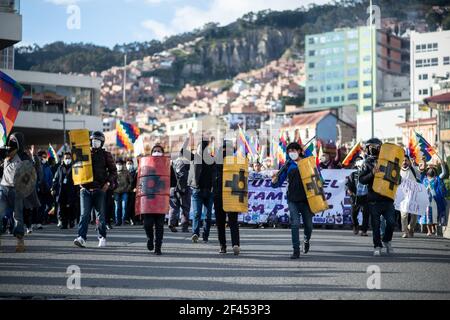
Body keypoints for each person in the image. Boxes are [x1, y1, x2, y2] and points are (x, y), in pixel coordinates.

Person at [73, 131, 117, 248]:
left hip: (99, 190)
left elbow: (113, 171)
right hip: (85, 189)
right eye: (92, 140)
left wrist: (107, 183)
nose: (94, 142)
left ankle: (102, 237)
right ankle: (81, 237)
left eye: (97, 140)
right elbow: (77, 168)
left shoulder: (106, 155)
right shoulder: (83, 153)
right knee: (84, 215)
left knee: (100, 216)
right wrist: (79, 182)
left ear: (102, 142)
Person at [271, 142, 314, 259]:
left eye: (294, 151)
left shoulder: (308, 162)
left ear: (299, 151)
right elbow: (278, 182)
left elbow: (318, 177)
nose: (291, 153)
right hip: (292, 199)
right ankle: (296, 250)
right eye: (289, 151)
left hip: (307, 200)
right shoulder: (287, 165)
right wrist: (274, 181)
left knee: (308, 226)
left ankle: (306, 240)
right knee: (295, 224)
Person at [358, 138, 397, 256]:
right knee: (375, 225)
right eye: (370, 147)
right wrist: (372, 174)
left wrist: (397, 178)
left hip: (388, 198)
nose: (372, 149)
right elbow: (361, 180)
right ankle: (377, 246)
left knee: (391, 222)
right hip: (374, 199)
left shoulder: (389, 161)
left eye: (375, 147)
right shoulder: (367, 163)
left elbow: (396, 178)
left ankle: (386, 240)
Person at [183, 133, 216, 243]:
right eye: (200, 147)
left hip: (209, 191)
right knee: (197, 214)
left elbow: (215, 174)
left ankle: (205, 235)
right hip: (197, 190)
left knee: (208, 215)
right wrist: (188, 139)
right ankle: (195, 233)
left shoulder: (212, 159)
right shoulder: (195, 157)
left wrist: (213, 187)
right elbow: (182, 151)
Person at [0, 133, 29, 252]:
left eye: (13, 141)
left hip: (17, 190)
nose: (9, 150)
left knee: (17, 216)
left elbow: (30, 174)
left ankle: (20, 240)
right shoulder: (4, 155)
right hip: (3, 188)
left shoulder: (23, 157)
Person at [213, 140, 241, 255]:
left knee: (233, 221)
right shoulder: (214, 164)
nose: (226, 152)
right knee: (220, 222)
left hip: (232, 196)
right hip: (218, 196)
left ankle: (235, 244)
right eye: (224, 149)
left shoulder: (237, 163)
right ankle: (222, 245)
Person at [142, 145, 169, 255]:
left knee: (159, 225)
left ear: (163, 153)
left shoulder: (167, 165)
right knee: (147, 224)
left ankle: (158, 247)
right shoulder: (146, 164)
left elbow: (172, 180)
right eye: (155, 151)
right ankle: (150, 238)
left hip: (161, 200)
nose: (157, 152)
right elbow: (140, 178)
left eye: (159, 151)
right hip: (149, 200)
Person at [168, 139, 191, 233]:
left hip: (172, 188)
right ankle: (184, 226)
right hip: (182, 188)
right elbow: (183, 176)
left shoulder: (173, 161)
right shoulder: (184, 161)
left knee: (174, 207)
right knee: (185, 207)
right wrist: (183, 187)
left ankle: (171, 223)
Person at [51, 152, 77, 229]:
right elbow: (55, 179)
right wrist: (53, 188)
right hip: (62, 191)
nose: (67, 160)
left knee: (71, 207)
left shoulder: (74, 167)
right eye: (66, 158)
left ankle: (71, 221)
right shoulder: (60, 168)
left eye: (69, 158)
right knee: (62, 208)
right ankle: (64, 223)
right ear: (63, 159)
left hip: (71, 190)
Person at [345, 156, 369, 236]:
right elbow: (348, 184)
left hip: (365, 197)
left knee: (366, 214)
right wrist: (350, 191)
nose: (362, 167)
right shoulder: (353, 174)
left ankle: (364, 230)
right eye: (360, 166)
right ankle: (356, 226)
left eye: (363, 166)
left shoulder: (368, 174)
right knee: (353, 214)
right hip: (355, 197)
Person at [420, 166, 447, 236]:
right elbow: (419, 173)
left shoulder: (437, 179)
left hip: (435, 200)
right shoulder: (424, 179)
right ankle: (429, 230)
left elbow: (444, 173)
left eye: (432, 168)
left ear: (434, 172)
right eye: (429, 168)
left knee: (435, 215)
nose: (431, 169)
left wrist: (442, 164)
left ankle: (434, 227)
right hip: (426, 200)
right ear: (427, 171)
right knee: (427, 215)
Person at [399, 155, 421, 238]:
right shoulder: (398, 171)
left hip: (414, 196)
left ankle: (411, 228)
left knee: (414, 215)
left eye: (406, 160)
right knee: (404, 215)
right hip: (402, 197)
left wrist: (422, 165)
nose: (404, 162)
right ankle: (405, 231)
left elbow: (421, 170)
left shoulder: (413, 169)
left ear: (409, 161)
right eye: (403, 160)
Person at [36, 150, 54, 228]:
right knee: (41, 206)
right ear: (39, 157)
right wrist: (37, 187)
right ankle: (39, 222)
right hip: (39, 190)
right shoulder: (36, 166)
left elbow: (51, 177)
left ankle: (45, 218)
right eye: (42, 157)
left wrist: (50, 186)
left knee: (50, 206)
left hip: (47, 189)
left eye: (45, 157)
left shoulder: (47, 166)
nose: (44, 158)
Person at [113, 159, 132, 226]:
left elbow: (131, 182)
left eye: (120, 164)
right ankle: (117, 221)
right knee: (117, 207)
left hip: (125, 191)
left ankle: (123, 220)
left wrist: (128, 189)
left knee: (124, 206)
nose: (119, 166)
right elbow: (111, 181)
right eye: (118, 164)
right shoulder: (114, 172)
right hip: (116, 192)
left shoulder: (126, 172)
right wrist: (113, 189)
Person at [126, 159, 138, 225]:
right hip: (125, 191)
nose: (129, 165)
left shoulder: (135, 172)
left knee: (132, 205)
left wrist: (134, 188)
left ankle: (132, 219)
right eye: (128, 163)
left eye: (130, 163)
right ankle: (127, 218)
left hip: (133, 191)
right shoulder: (124, 172)